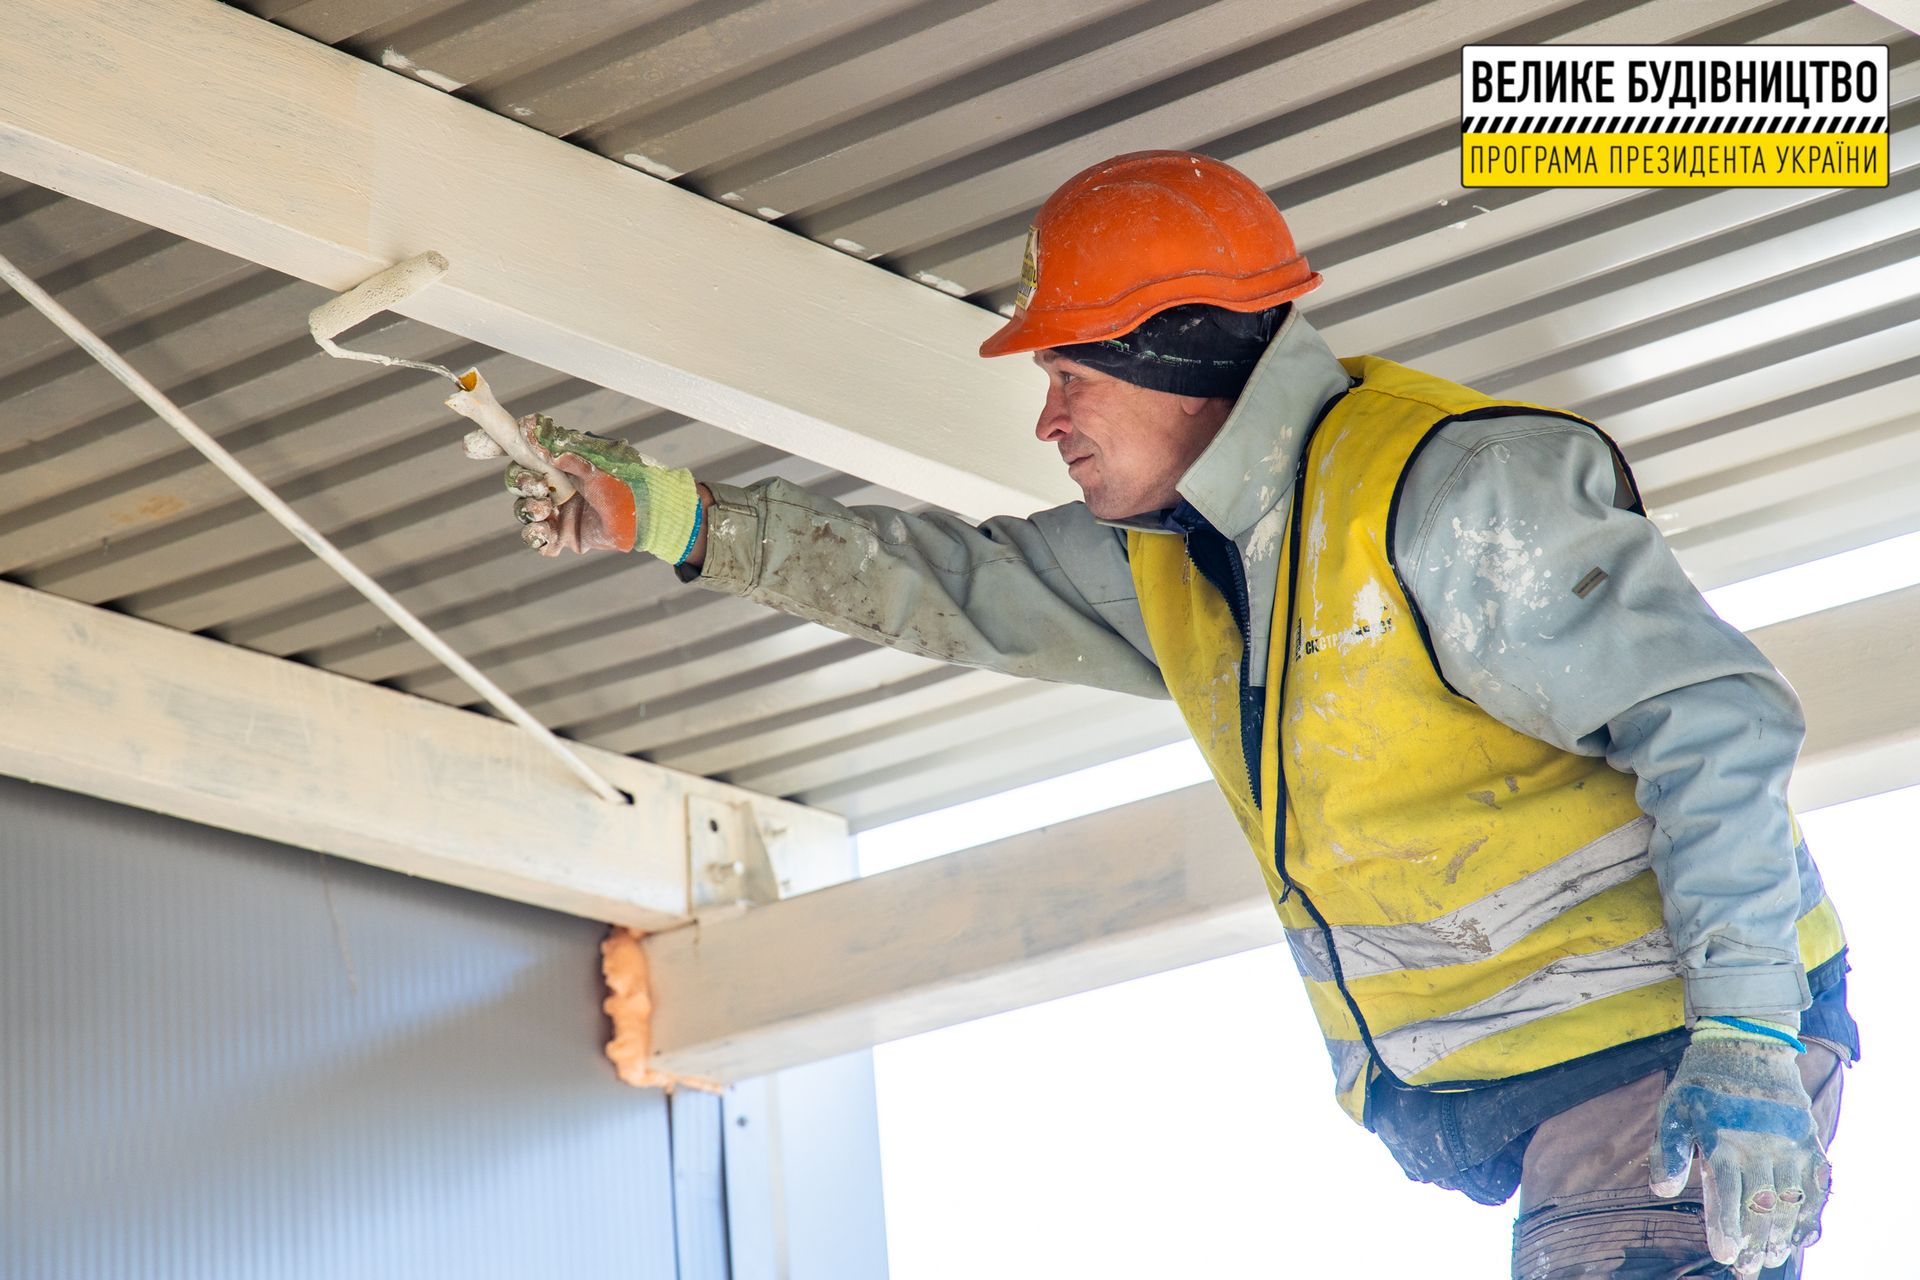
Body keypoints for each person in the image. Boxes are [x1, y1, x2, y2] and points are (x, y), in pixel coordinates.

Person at [470, 151, 1857, 1279]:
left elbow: (1713, 718)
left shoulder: (1445, 496)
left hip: (1673, 1062)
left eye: (1070, 374)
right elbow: (948, 584)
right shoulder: (1186, 559)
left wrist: (1742, 1037)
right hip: (1561, 1090)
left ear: (1183, 350)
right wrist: (674, 518)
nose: (1049, 421)